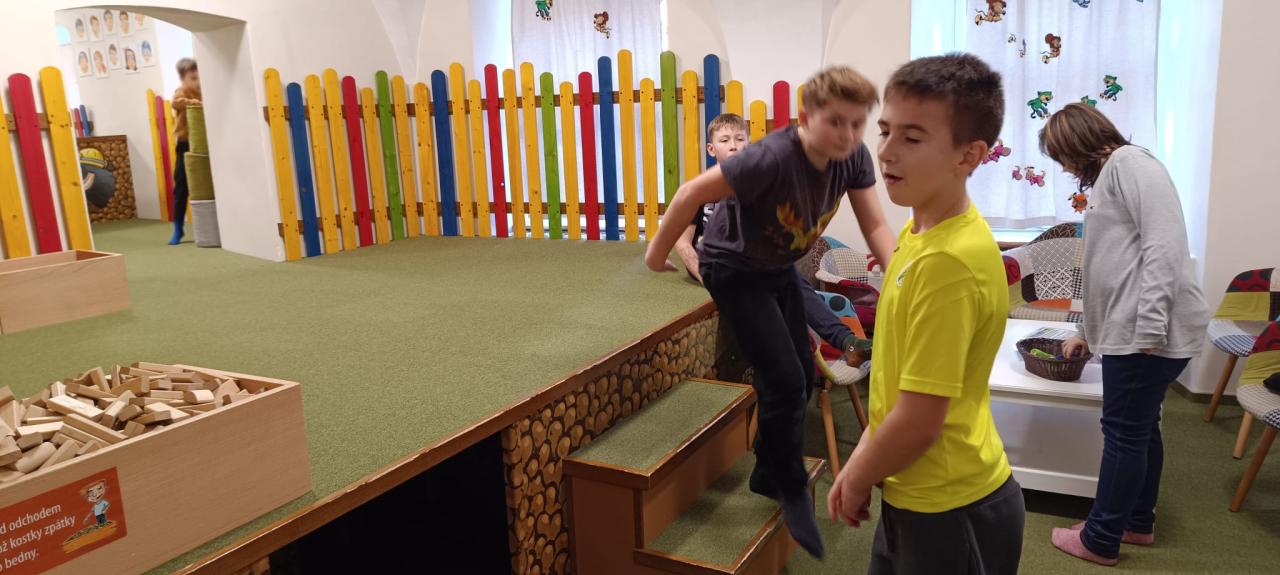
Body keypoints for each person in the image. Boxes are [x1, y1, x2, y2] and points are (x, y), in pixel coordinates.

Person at [646, 66, 895, 558]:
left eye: (857, 124)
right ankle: (788, 483)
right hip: (731, 266)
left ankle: (765, 470)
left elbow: (876, 226)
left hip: (777, 265)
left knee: (801, 371)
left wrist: (901, 276)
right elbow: (689, 194)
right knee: (783, 377)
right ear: (806, 117)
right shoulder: (770, 157)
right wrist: (656, 256)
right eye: (835, 122)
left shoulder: (852, 157)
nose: (847, 135)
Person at [827, 53, 1024, 574]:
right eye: (885, 131)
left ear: (969, 155)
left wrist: (859, 476)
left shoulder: (947, 263)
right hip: (916, 491)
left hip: (952, 506)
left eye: (912, 138)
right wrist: (862, 461)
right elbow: (896, 383)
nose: (886, 151)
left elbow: (918, 422)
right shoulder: (919, 234)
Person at [1042, 104, 1209, 565]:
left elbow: (1164, 247)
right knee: (1140, 429)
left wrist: (1149, 327)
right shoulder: (1110, 176)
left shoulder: (1132, 164)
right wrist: (1086, 329)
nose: (1064, 167)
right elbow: (1107, 263)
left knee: (1123, 434)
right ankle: (1136, 521)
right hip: (1131, 327)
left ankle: (1100, 538)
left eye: (1061, 155)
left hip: (1145, 332)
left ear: (1077, 141)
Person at [676, 113, 872, 380]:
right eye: (725, 140)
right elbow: (682, 242)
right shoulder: (701, 190)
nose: (733, 146)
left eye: (739, 139)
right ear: (711, 149)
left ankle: (844, 341)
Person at [168, 58, 202, 245]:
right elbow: (176, 103)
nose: (197, 82)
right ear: (183, 79)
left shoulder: (205, 90)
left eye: (199, 77)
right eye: (193, 78)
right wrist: (193, 102)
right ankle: (178, 228)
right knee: (181, 186)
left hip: (204, 143)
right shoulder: (182, 91)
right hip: (185, 144)